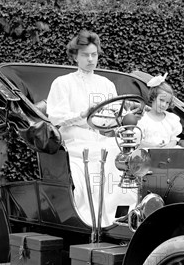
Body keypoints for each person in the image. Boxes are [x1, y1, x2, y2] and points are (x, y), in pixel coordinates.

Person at [46, 30, 136, 228]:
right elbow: (56, 118)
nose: (90, 59)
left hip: (101, 140)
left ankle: (119, 218)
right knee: (99, 160)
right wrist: (82, 115)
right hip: (74, 143)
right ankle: (91, 222)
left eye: (94, 54)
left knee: (123, 154)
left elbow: (114, 116)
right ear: (75, 56)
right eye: (85, 55)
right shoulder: (63, 83)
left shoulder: (106, 84)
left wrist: (124, 116)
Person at [137, 74, 183, 149]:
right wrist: (155, 147)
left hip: (167, 154)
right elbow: (139, 143)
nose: (164, 105)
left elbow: (173, 140)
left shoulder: (171, 119)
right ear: (153, 98)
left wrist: (167, 147)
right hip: (149, 153)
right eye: (161, 100)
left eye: (167, 102)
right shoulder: (143, 120)